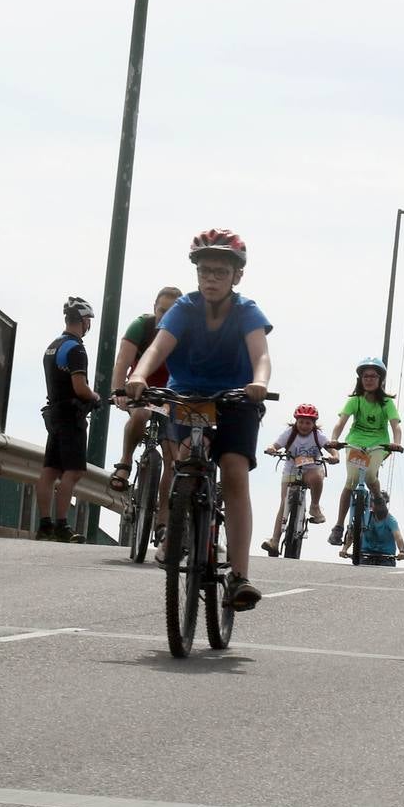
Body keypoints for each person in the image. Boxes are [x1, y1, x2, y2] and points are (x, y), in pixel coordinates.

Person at [124, 228, 271, 611]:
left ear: (237, 275)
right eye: (205, 271)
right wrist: (139, 375)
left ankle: (239, 575)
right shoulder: (184, 308)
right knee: (185, 456)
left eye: (220, 272)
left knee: (234, 471)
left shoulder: (247, 311)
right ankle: (177, 535)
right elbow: (158, 347)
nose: (211, 279)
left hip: (236, 397)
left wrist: (259, 382)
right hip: (187, 395)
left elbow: (261, 354)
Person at [34, 297, 101, 543]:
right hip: (72, 416)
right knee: (73, 472)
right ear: (83, 320)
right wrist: (95, 396)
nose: (89, 325)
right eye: (89, 320)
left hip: (53, 414)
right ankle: (62, 525)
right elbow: (80, 387)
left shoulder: (52, 346)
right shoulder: (76, 348)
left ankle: (44, 525)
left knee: (49, 470)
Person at [109, 286, 182, 499]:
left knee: (173, 457)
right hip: (142, 388)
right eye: (162, 311)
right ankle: (125, 462)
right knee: (141, 414)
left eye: (172, 313)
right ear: (154, 308)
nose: (165, 318)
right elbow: (122, 361)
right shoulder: (142, 326)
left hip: (173, 394)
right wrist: (118, 390)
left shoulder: (186, 333)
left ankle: (162, 522)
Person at [327, 357, 403, 546]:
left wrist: (397, 443)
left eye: (373, 376)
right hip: (356, 443)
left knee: (370, 475)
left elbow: (396, 427)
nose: (369, 379)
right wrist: (335, 438)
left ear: (380, 379)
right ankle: (338, 527)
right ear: (360, 379)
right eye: (365, 376)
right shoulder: (355, 401)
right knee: (351, 481)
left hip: (379, 445)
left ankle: (377, 498)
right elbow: (340, 423)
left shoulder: (387, 403)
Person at [261, 403, 337, 556]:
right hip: (291, 468)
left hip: (311, 469)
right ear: (296, 421)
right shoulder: (289, 433)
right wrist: (272, 449)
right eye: (301, 422)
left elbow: (331, 448)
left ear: (313, 424)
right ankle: (274, 541)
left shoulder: (318, 435)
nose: (304, 425)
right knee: (284, 502)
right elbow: (275, 445)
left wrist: (335, 456)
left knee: (317, 477)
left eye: (308, 423)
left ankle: (314, 506)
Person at [339, 493, 404, 566]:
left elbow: (398, 537)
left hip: (386, 558)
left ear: (386, 503)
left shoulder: (390, 520)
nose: (379, 506)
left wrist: (402, 551)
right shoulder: (366, 518)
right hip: (365, 556)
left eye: (381, 503)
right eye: (374, 502)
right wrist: (344, 549)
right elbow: (354, 534)